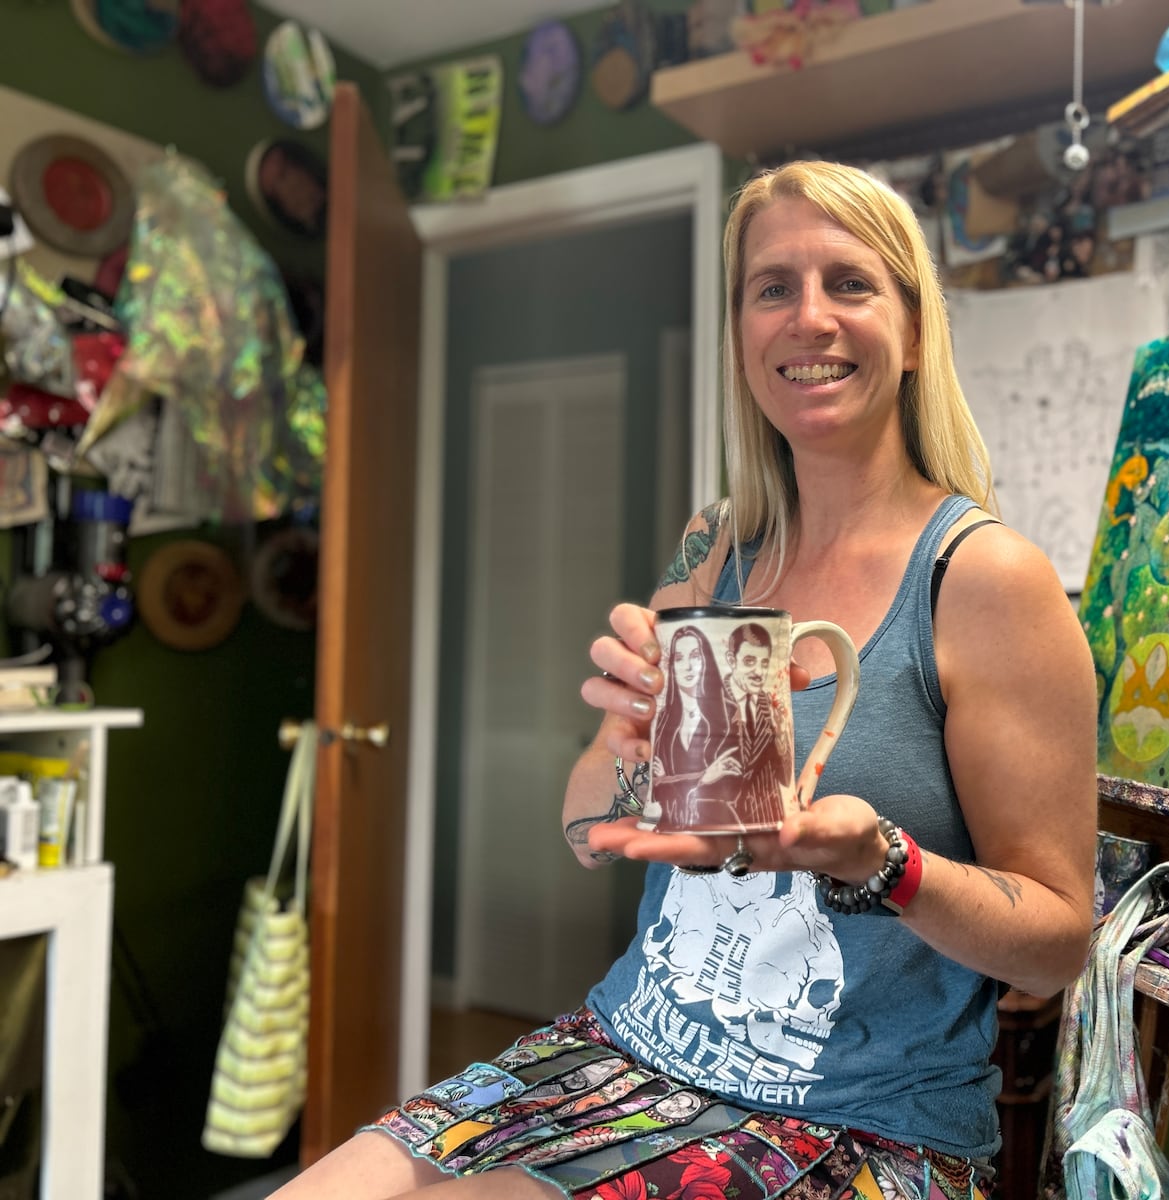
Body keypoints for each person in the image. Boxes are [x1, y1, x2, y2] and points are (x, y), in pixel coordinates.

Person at [273, 158, 1097, 1200]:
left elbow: (1055, 944)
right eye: (771, 288)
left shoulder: (984, 580)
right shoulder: (715, 546)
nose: (809, 318)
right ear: (741, 336)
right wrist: (625, 746)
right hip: (626, 1047)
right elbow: (587, 835)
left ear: (917, 331)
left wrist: (881, 859)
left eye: (849, 283)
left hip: (855, 1120)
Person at [649, 624, 740, 830]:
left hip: (725, 831)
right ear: (671, 666)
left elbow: (731, 783)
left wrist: (667, 779)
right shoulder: (663, 721)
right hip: (672, 832)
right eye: (679, 658)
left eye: (695, 656)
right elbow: (656, 791)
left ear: (706, 659)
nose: (687, 666)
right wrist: (704, 777)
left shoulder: (730, 714)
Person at [720, 620, 791, 828]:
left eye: (764, 663)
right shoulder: (709, 703)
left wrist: (782, 742)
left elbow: (784, 779)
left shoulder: (770, 706)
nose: (759, 672)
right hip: (723, 826)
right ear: (732, 660)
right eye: (750, 661)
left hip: (770, 825)